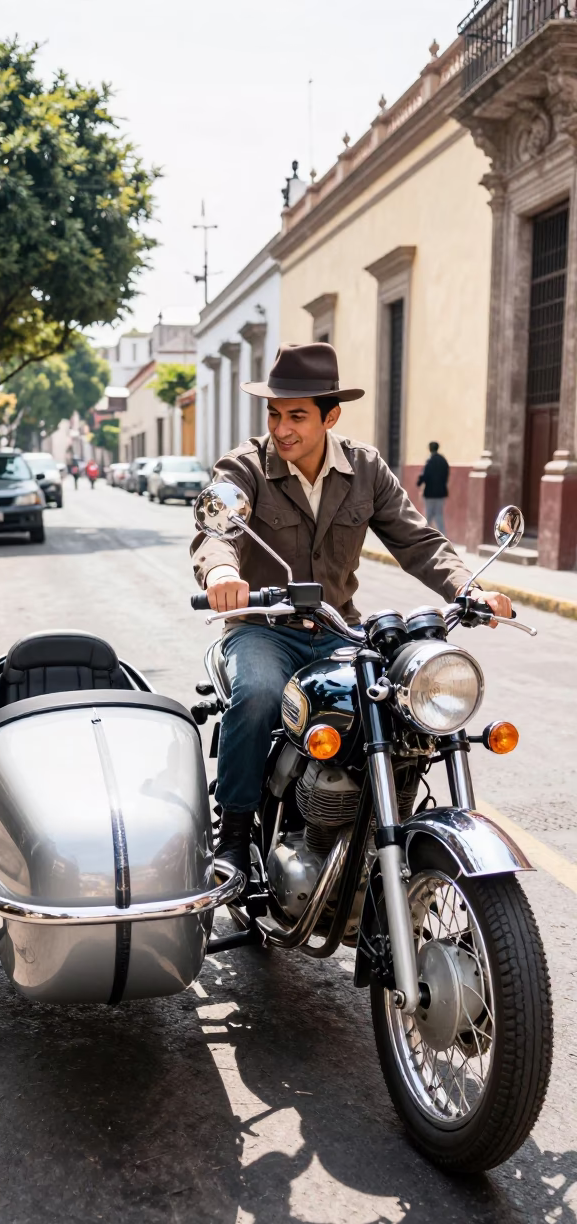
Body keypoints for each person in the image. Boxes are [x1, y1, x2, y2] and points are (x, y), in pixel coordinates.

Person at [190, 342, 512, 878]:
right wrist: (222, 573)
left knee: (402, 702)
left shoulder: (365, 469)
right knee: (259, 695)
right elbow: (212, 532)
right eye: (274, 414)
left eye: (296, 415)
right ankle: (236, 834)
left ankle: (371, 828)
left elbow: (418, 542)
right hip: (263, 628)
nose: (282, 428)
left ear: (330, 415)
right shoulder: (244, 466)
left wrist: (468, 588)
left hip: (339, 628)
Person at [417, 441, 449, 535]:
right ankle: (443, 535)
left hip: (430, 493)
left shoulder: (429, 461)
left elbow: (425, 475)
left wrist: (419, 483)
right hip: (441, 493)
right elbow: (446, 474)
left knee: (428, 515)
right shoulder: (443, 460)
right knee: (439, 515)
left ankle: (423, 535)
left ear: (430, 449)